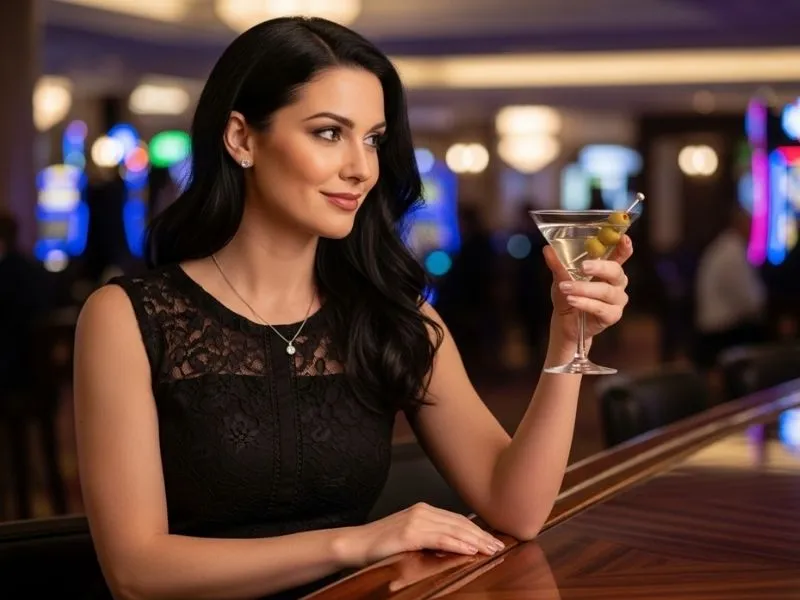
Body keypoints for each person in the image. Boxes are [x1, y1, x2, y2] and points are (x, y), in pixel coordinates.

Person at [73, 16, 633, 600]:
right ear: (241, 139)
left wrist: (568, 339)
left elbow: (516, 509)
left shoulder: (395, 316)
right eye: (327, 133)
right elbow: (136, 572)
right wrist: (355, 542)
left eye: (372, 138)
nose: (361, 168)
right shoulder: (127, 318)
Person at [694, 205, 767, 368]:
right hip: (721, 333)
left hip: (715, 329)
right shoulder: (732, 252)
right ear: (740, 224)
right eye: (751, 224)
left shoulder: (725, 246)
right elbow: (750, 301)